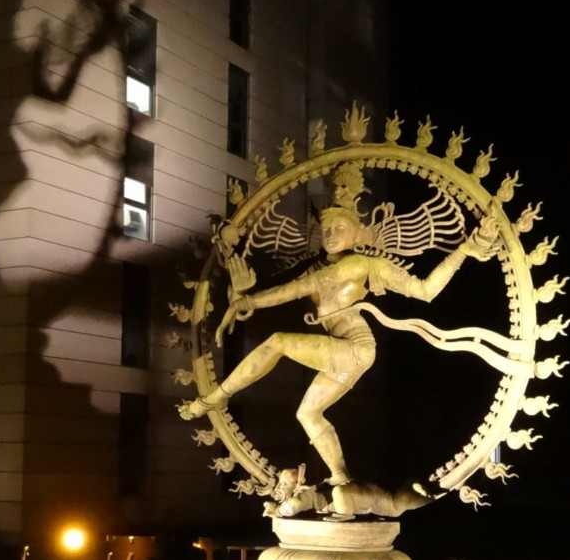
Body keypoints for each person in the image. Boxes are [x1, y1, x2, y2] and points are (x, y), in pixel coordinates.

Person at [179, 165, 499, 486]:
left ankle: (217, 396)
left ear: (357, 233)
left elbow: (425, 290)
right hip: (349, 355)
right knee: (307, 413)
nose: (331, 235)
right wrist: (247, 297)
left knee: (278, 341)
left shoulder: (359, 264)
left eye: (341, 228)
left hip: (354, 347)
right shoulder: (318, 269)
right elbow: (288, 289)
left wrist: (465, 250)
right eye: (326, 229)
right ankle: (341, 476)